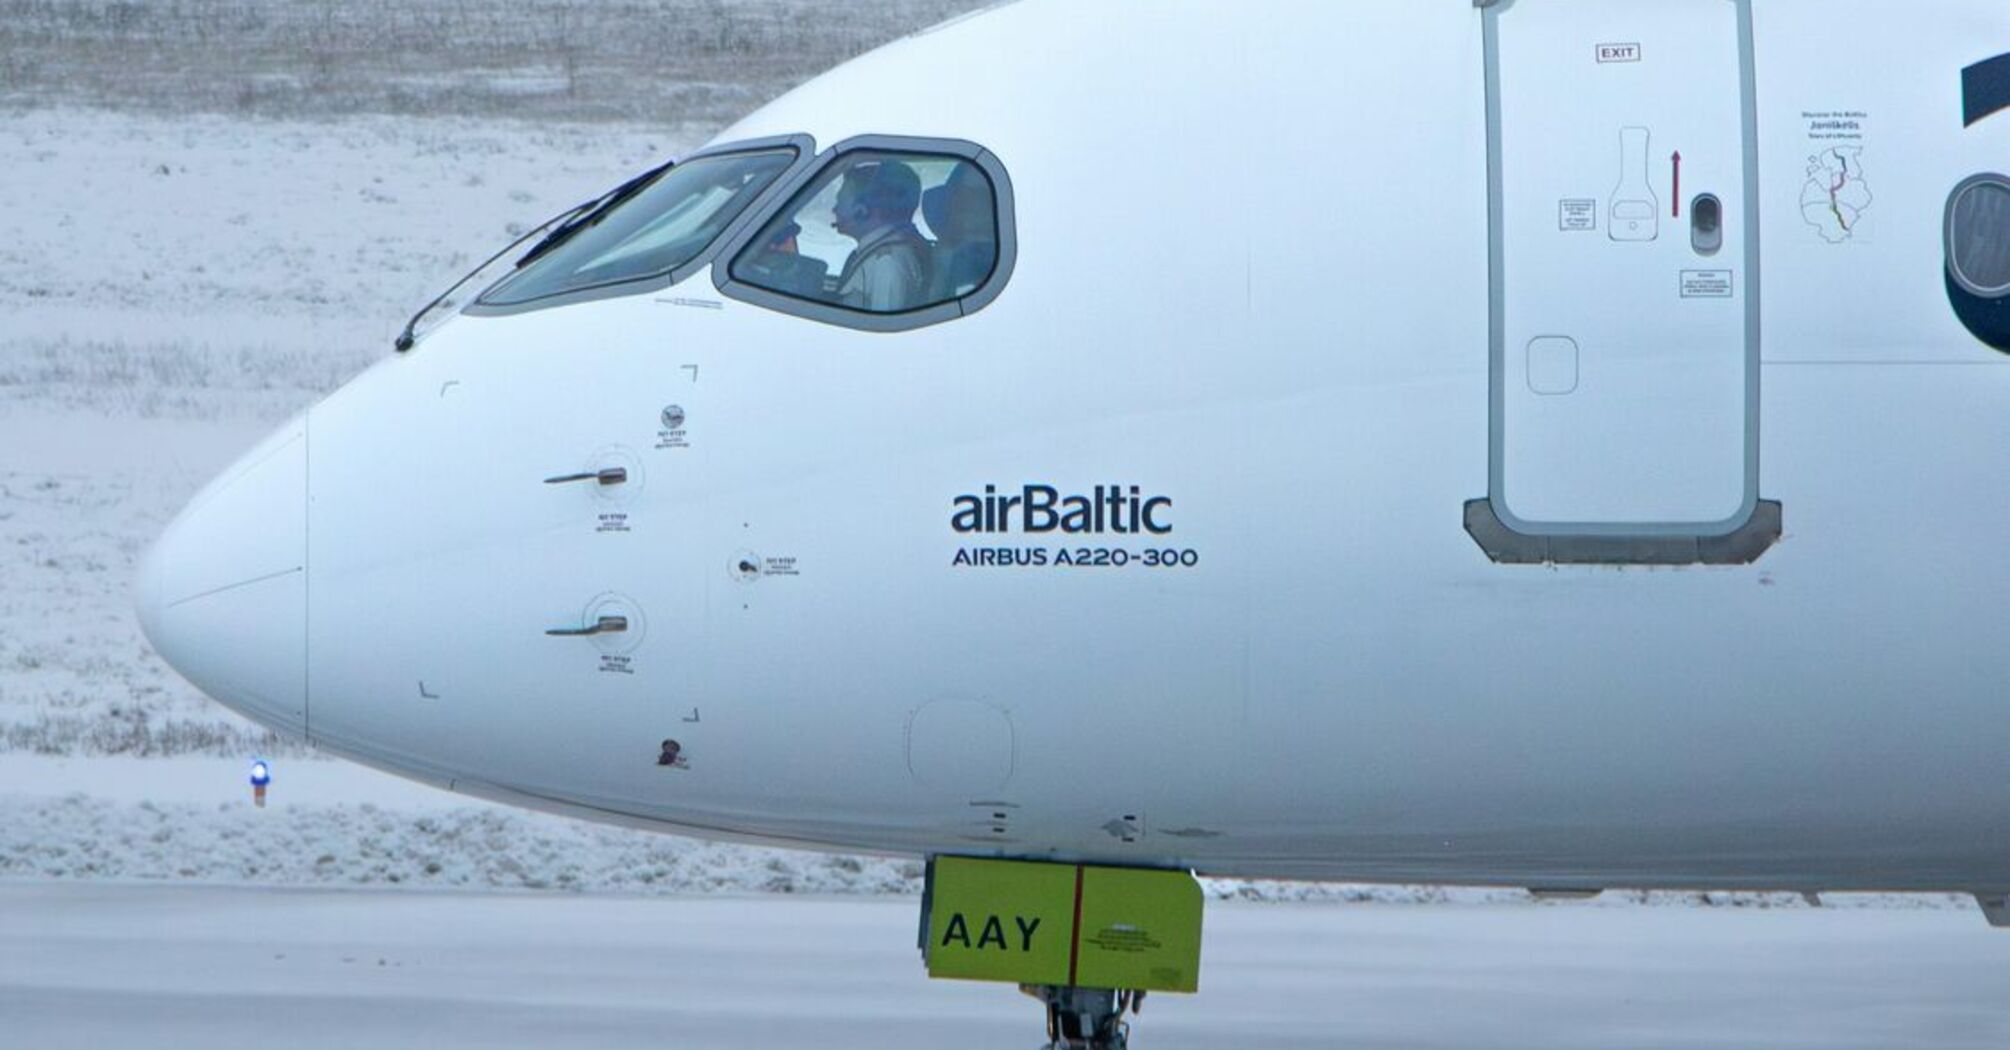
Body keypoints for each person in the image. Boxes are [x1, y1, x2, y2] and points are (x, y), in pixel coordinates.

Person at [831, 160, 929, 311]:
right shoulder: (875, 254)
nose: (834, 210)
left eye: (841, 201)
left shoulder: (886, 264)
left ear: (862, 211)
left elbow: (882, 332)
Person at [921, 165, 998, 299]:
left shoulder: (990, 257)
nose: (956, 205)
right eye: (955, 197)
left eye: (971, 197)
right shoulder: (946, 249)